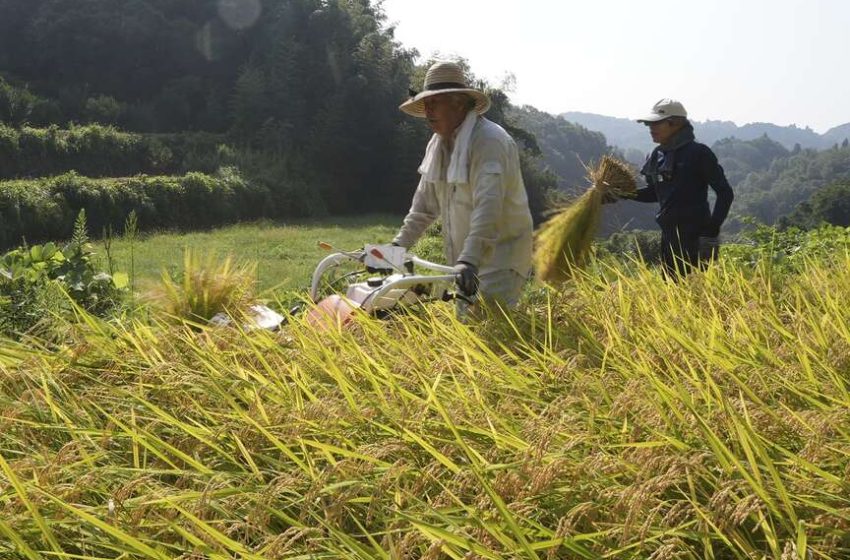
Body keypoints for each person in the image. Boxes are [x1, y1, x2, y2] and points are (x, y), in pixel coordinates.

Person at [392, 61, 533, 308]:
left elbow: (488, 207)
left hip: (500, 259)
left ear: (458, 102)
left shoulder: (489, 142)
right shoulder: (438, 146)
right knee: (466, 329)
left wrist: (469, 260)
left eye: (434, 102)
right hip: (465, 263)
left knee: (488, 336)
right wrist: (394, 248)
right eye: (425, 104)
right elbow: (423, 208)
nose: (428, 111)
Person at [622, 99, 734, 277]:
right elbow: (655, 193)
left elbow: (725, 192)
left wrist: (712, 230)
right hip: (668, 236)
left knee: (696, 293)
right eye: (649, 124)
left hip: (695, 237)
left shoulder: (699, 153)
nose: (651, 128)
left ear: (675, 123)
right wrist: (623, 193)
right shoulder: (657, 155)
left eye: (657, 123)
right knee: (672, 291)